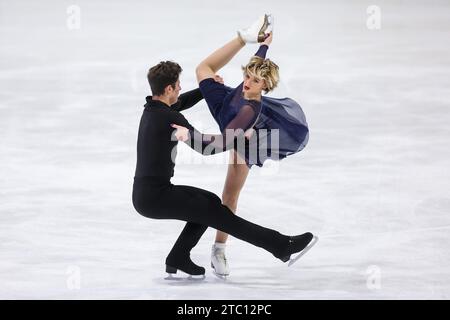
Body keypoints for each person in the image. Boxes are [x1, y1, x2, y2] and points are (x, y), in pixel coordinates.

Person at [132, 57, 317, 278]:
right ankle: (280, 245)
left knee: (209, 202)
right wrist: (237, 138)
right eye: (178, 85)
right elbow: (206, 148)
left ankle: (178, 257)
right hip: (154, 198)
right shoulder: (170, 118)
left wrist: (205, 89)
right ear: (169, 88)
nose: (181, 88)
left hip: (150, 193)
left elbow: (180, 102)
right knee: (216, 214)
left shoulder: (154, 108)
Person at [176, 14, 309, 277]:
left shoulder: (250, 110)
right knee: (203, 69)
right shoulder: (247, 84)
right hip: (225, 103)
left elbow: (218, 144)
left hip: (239, 136)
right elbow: (256, 63)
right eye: (247, 75)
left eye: (255, 81)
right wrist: (264, 43)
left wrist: (187, 134)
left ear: (266, 86)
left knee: (228, 197)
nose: (248, 82)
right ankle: (241, 37)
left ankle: (218, 249)